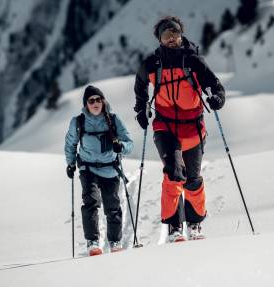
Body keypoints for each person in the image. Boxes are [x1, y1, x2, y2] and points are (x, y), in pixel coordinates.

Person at [133, 16, 226, 242]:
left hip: (193, 127)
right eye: (167, 35)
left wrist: (217, 98)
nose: (172, 38)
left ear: (181, 34)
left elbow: (216, 86)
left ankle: (194, 225)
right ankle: (175, 228)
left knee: (192, 179)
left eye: (175, 33)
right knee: (174, 173)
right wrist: (141, 109)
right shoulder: (153, 64)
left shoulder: (193, 61)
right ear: (160, 39)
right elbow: (140, 86)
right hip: (165, 126)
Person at [64, 85, 134, 255]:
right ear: (86, 104)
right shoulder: (78, 122)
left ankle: (115, 241)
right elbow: (70, 144)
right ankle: (92, 241)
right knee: (91, 202)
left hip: (110, 169)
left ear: (103, 101)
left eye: (98, 99)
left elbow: (129, 143)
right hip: (88, 169)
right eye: (91, 100)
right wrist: (71, 163)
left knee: (113, 206)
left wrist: (121, 146)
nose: (95, 103)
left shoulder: (114, 120)